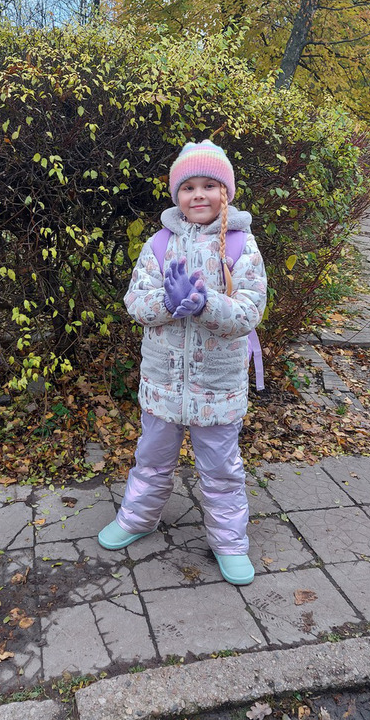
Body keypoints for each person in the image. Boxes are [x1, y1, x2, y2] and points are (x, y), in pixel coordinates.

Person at [98, 140, 267, 585]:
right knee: (151, 458)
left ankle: (229, 542)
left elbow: (249, 311)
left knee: (221, 469)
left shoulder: (241, 245)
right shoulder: (159, 243)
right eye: (188, 187)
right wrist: (169, 304)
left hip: (217, 387)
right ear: (177, 195)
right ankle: (137, 518)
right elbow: (136, 302)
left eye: (209, 185)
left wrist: (206, 304)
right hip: (163, 382)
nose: (199, 195)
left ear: (225, 192)